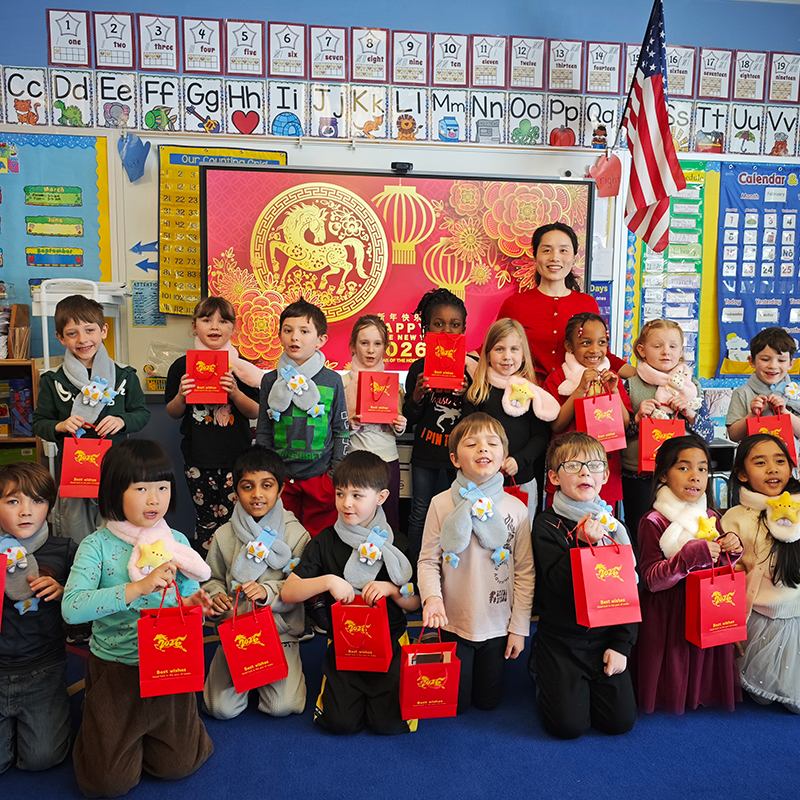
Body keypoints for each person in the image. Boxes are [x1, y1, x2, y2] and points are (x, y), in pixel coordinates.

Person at [62, 439, 214, 797]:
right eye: (141, 488)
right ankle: (100, 724)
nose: (154, 499)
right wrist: (137, 588)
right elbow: (72, 607)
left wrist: (193, 604)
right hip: (117, 669)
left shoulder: (176, 541)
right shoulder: (97, 545)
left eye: (162, 487)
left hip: (169, 663)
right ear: (115, 491)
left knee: (179, 765)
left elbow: (185, 596)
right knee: (107, 784)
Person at [281, 450, 419, 735]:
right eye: (340, 494)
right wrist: (327, 581)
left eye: (357, 495)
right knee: (339, 723)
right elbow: (289, 592)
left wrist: (392, 590)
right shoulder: (325, 541)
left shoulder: (397, 543)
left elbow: (415, 603)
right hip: (345, 643)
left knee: (388, 725)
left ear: (381, 497)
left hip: (390, 641)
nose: (346, 503)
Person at [418, 413, 534, 714]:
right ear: (455, 459)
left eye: (492, 443)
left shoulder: (517, 509)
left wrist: (519, 628)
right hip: (453, 622)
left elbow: (525, 572)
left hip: (497, 625)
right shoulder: (441, 503)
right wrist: (432, 598)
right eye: (472, 444)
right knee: (457, 705)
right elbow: (428, 560)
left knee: (487, 703)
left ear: (504, 456)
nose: (483, 448)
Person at [530, 432, 638, 739]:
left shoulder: (614, 527)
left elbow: (630, 591)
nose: (585, 473)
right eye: (573, 466)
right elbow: (556, 583)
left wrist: (621, 646)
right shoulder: (546, 524)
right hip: (562, 640)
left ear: (605, 476)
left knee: (619, 723)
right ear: (554, 477)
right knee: (568, 727)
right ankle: (540, 668)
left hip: (605, 637)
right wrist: (580, 544)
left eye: (594, 466)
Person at [632, 435, 742, 715]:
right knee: (674, 656)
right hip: (668, 610)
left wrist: (730, 550)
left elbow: (716, 564)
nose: (695, 476)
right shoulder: (652, 521)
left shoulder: (710, 516)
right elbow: (651, 579)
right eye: (683, 468)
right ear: (663, 475)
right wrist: (690, 557)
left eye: (702, 468)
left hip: (704, 603)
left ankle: (700, 693)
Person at [203, 445, 310, 719]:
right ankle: (240, 672)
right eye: (247, 486)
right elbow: (212, 578)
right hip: (236, 632)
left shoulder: (297, 534)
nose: (257, 494)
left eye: (267, 485)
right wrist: (216, 596)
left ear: (281, 489)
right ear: (236, 491)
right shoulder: (224, 534)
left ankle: (287, 669)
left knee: (282, 707)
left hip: (279, 633)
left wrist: (267, 592)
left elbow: (300, 587)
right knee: (219, 709)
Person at [32, 294, 150, 544]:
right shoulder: (53, 380)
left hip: (115, 468)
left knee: (117, 532)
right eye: (72, 333)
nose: (83, 339)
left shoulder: (124, 375)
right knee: (75, 533)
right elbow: (39, 422)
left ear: (103, 330)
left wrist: (122, 421)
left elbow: (141, 413)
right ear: (61, 338)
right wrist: (60, 425)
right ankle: (78, 568)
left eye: (89, 330)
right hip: (75, 471)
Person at [165, 296, 262, 550]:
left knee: (238, 521)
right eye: (207, 320)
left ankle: (236, 569)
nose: (215, 326)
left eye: (223, 321)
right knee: (206, 521)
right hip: (198, 459)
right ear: (194, 326)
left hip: (237, 459)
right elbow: (173, 412)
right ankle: (207, 570)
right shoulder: (182, 367)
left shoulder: (242, 368)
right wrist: (181, 396)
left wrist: (235, 393)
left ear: (233, 327)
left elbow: (256, 410)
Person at [0, 462, 75, 775]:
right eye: (13, 501)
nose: (26, 511)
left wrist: (63, 591)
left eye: (37, 501)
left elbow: (84, 604)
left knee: (42, 759)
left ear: (50, 506)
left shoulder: (64, 549)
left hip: (43, 668)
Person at [719, 434, 800, 713]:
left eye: (780, 461)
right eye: (760, 462)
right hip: (758, 619)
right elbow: (730, 575)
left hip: (795, 617)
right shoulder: (735, 517)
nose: (772, 469)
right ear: (742, 474)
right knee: (761, 697)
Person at [256, 298, 349, 538]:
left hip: (320, 478)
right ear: (280, 335)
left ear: (321, 340)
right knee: (281, 536)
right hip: (280, 478)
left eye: (304, 331)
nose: (294, 337)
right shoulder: (269, 380)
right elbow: (264, 430)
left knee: (320, 539)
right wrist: (266, 474)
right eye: (287, 330)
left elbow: (341, 429)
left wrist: (334, 476)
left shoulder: (332, 380)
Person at [495, 222, 633, 383]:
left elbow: (600, 352)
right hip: (526, 393)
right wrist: (469, 364)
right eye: (547, 250)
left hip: (576, 393)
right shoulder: (515, 304)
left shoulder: (587, 303)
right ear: (535, 256)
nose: (555, 257)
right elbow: (493, 347)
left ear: (574, 257)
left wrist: (645, 376)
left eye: (563, 250)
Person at [621, 320, 713, 544]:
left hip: (682, 474)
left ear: (681, 351)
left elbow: (708, 435)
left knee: (682, 532)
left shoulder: (692, 387)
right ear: (642, 350)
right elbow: (618, 435)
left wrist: (690, 414)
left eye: (673, 346)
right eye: (657, 346)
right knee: (640, 530)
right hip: (639, 475)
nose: (666, 352)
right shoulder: (630, 385)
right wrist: (637, 418)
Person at [403, 288, 477, 559]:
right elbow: (409, 418)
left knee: (460, 511)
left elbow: (477, 419)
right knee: (420, 512)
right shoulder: (418, 369)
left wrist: (468, 395)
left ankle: (454, 568)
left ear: (463, 329)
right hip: (426, 454)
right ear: (426, 329)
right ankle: (415, 569)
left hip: (461, 458)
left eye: (454, 325)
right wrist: (417, 396)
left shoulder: (472, 369)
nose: (447, 331)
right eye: (438, 324)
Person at [463, 317, 559, 518]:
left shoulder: (530, 393)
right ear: (487, 354)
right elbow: (468, 437)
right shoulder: (477, 393)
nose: (507, 356)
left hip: (521, 481)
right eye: (499, 349)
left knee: (521, 531)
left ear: (523, 356)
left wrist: (519, 460)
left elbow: (540, 437)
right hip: (482, 481)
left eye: (514, 349)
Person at [544, 312, 631, 508]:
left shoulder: (612, 378)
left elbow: (624, 425)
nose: (595, 350)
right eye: (586, 343)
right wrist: (580, 389)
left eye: (602, 343)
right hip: (567, 471)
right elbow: (557, 424)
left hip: (603, 472)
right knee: (562, 521)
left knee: (603, 523)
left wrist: (614, 391)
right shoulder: (558, 379)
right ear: (569, 346)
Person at [343, 315, 406, 533]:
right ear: (353, 346)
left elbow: (397, 426)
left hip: (388, 460)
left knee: (390, 519)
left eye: (377, 344)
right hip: (355, 459)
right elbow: (334, 429)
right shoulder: (343, 383)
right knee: (355, 519)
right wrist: (350, 425)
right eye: (364, 343)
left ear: (385, 348)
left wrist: (400, 426)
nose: (371, 350)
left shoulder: (395, 386)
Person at [726, 327, 800, 448]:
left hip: (787, 459)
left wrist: (784, 412)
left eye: (781, 360)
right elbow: (733, 436)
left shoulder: (796, 393)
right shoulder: (742, 393)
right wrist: (752, 415)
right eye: (765, 359)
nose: (773, 366)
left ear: (791, 364)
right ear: (751, 361)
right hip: (753, 458)